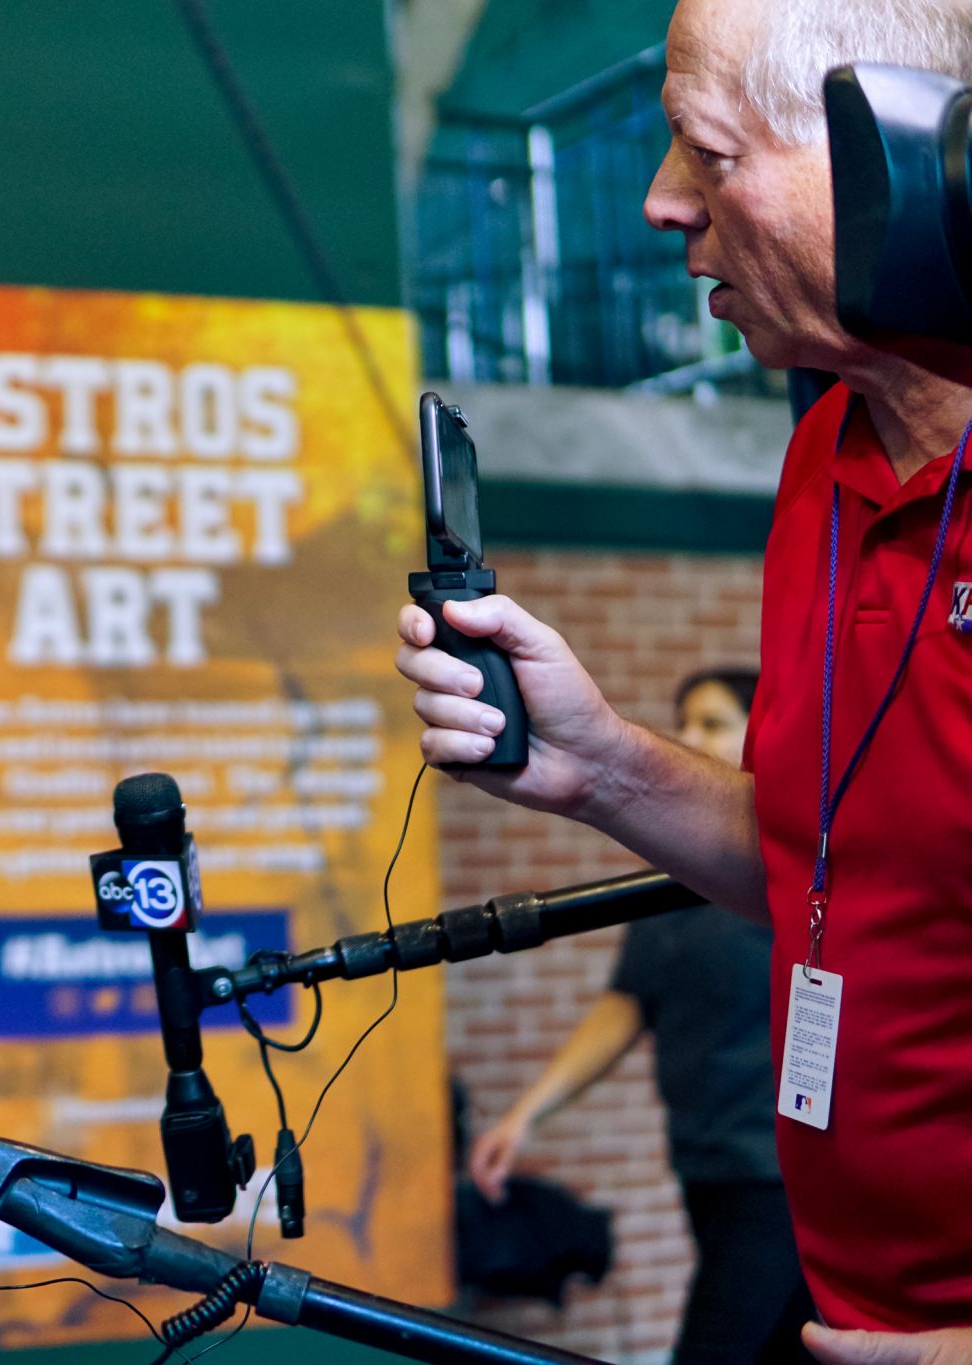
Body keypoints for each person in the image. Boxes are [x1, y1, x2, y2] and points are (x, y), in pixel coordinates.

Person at [399, 0, 972, 1358]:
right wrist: (601, 763)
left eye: (706, 153)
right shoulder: (827, 450)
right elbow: (824, 858)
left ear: (902, 150)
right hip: (843, 1309)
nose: (661, 205)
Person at [467, 669, 813, 1364]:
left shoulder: (794, 869)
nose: (689, 736)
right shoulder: (678, 876)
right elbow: (627, 1004)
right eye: (683, 720)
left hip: (781, 1179)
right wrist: (526, 1113)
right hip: (705, 1163)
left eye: (712, 722)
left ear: (762, 735)